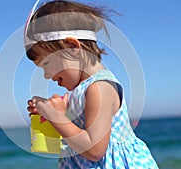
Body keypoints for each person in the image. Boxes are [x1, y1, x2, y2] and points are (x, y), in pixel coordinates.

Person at [25, 0, 159, 168]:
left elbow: (95, 149)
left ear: (72, 46)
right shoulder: (83, 91)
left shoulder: (100, 87)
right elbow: (77, 136)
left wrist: (56, 116)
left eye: (46, 64)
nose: (47, 76)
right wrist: (56, 113)